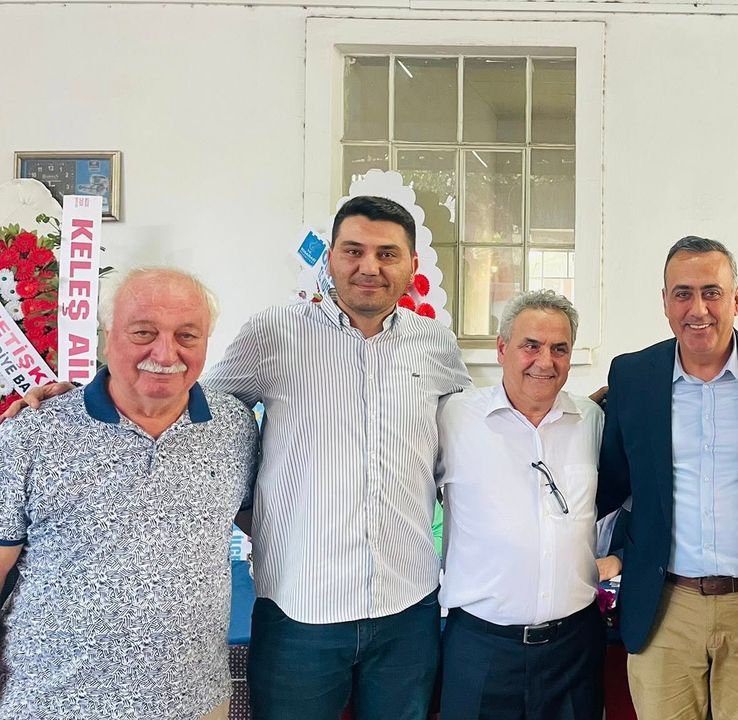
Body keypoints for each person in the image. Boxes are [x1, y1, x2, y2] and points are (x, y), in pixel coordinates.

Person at [209, 195, 470, 719]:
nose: (369, 267)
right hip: (300, 607)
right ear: (329, 258)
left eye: (387, 254)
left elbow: (467, 441)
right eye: (353, 251)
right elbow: (204, 420)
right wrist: (246, 509)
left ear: (412, 265)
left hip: (407, 606)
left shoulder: (435, 344)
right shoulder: (274, 332)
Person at [0, 268, 258, 719]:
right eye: (143, 332)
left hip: (195, 703)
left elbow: (267, 522)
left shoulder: (235, 427)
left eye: (187, 335)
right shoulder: (32, 433)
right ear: (107, 336)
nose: (165, 353)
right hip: (54, 704)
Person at [596, 236, 738, 720]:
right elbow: (609, 482)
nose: (697, 309)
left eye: (711, 292)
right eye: (682, 293)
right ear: (665, 302)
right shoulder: (633, 376)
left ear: (736, 299)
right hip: (664, 609)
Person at [436, 289, 611, 720]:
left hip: (574, 650)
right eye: (530, 346)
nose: (545, 361)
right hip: (481, 649)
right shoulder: (452, 418)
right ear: (502, 349)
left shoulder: (593, 421)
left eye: (559, 349)